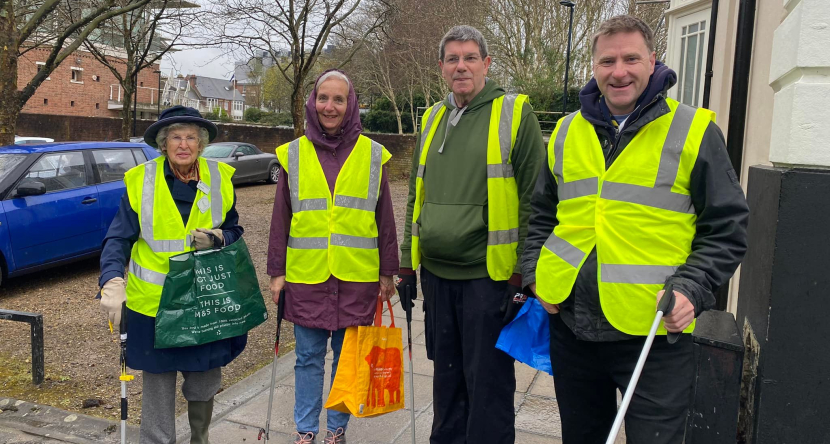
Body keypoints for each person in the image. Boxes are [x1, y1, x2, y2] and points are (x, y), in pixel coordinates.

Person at [521, 15, 750, 444]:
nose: (619, 71)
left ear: (652, 61)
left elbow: (726, 227)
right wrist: (536, 276)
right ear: (594, 67)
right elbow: (541, 215)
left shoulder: (694, 130)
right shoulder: (567, 131)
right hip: (572, 326)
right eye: (607, 61)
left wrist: (693, 289)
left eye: (630, 58)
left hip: (653, 334)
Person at [397, 25, 545, 444]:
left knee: (488, 387)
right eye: (452, 59)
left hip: (490, 279)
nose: (461, 66)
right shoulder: (432, 117)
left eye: (470, 57)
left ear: (487, 63)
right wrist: (407, 265)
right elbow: (415, 198)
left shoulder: (515, 114)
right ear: (441, 67)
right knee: (447, 383)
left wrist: (522, 276)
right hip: (439, 279)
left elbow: (535, 203)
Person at [98, 105, 245, 444]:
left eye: (191, 137)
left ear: (201, 143)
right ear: (163, 144)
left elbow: (234, 228)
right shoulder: (141, 181)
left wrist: (222, 237)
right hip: (155, 307)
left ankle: (200, 439)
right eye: (175, 137)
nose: (183, 144)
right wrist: (112, 281)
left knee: (204, 380)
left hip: (204, 302)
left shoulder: (220, 177)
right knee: (159, 387)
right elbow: (118, 237)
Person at [266, 69, 399, 444]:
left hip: (356, 277)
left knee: (347, 361)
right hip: (307, 276)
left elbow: (384, 219)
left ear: (351, 104)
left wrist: (388, 272)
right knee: (308, 358)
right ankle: (306, 430)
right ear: (313, 101)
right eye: (323, 98)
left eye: (339, 99)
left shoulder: (373, 155)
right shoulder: (293, 153)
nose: (330, 106)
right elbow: (281, 219)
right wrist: (277, 272)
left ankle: (335, 430)